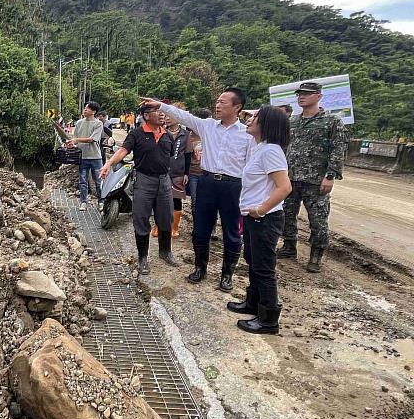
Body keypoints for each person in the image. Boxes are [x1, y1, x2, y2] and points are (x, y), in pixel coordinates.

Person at [141, 88, 253, 291]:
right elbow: (183, 116)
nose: (218, 105)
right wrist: (160, 105)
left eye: (223, 102)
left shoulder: (247, 134)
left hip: (233, 186)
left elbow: (253, 166)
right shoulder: (208, 126)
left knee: (231, 232)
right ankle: (200, 267)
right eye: (217, 101)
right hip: (207, 183)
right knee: (200, 229)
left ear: (237, 107)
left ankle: (227, 274)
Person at [227, 105, 292, 334]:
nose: (249, 119)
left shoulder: (272, 151)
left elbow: (284, 187)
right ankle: (253, 303)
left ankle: (268, 320)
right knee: (253, 261)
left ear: (267, 125)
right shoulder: (260, 147)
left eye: (255, 117)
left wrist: (261, 210)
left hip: (265, 219)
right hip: (254, 218)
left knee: (264, 268)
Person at [277, 82, 349, 272]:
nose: (302, 97)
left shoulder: (331, 121)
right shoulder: (292, 121)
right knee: (286, 215)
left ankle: (316, 255)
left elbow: (338, 148)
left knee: (318, 220)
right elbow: (284, 147)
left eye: (307, 94)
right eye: (300, 94)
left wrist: (331, 175)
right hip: (290, 178)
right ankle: (289, 246)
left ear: (318, 96)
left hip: (316, 180)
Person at [100, 104, 178, 274]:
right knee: (141, 218)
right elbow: (123, 151)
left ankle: (165, 252)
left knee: (166, 218)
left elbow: (170, 157)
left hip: (164, 182)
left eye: (162, 112)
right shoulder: (136, 134)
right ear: (146, 116)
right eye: (157, 112)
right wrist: (108, 164)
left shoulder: (167, 136)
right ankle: (142, 258)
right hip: (144, 180)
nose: (162, 115)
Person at [153, 103, 189, 239]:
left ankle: (174, 227)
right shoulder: (159, 131)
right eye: (166, 115)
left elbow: (188, 155)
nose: (167, 118)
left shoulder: (185, 135)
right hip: (161, 171)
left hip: (178, 173)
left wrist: (186, 173)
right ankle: (157, 226)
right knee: (158, 200)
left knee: (176, 200)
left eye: (171, 116)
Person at [65, 102, 104, 211]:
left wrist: (76, 140)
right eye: (85, 108)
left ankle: (101, 201)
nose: (85, 110)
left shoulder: (98, 123)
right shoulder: (79, 123)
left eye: (87, 108)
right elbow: (75, 139)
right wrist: (71, 144)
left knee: (98, 181)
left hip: (95, 157)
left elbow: (92, 139)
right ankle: (83, 202)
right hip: (82, 157)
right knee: (82, 181)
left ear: (94, 111)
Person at [185, 108, 211, 217]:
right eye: (209, 119)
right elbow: (186, 156)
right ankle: (197, 227)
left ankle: (211, 229)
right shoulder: (188, 136)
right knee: (195, 201)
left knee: (210, 201)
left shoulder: (211, 134)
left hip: (209, 174)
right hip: (194, 173)